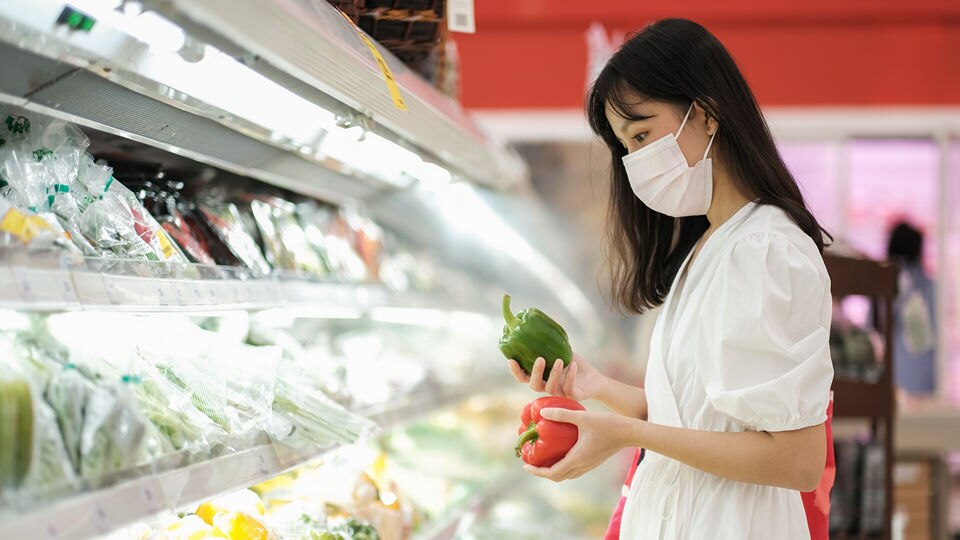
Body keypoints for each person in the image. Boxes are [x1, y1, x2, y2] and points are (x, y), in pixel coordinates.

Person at [507, 19, 834, 539]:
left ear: (705, 114)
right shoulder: (709, 245)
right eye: (625, 148)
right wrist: (593, 386)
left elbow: (796, 459)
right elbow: (699, 421)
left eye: (641, 135)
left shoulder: (766, 248)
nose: (635, 163)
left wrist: (624, 434)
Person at [887, 221, 936, 394]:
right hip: (925, 378)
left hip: (894, 375)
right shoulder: (930, 288)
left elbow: (873, 326)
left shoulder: (886, 284)